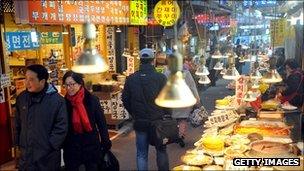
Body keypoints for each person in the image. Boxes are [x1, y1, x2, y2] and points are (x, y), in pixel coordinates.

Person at [122, 48, 169, 171]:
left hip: (140, 122)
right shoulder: (161, 78)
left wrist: (134, 113)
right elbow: (167, 99)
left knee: (142, 153)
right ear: (153, 61)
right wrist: (166, 114)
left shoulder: (131, 79)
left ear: (140, 61)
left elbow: (125, 99)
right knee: (161, 149)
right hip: (158, 120)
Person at [15, 64, 68, 170]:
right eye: (26, 78)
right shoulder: (22, 98)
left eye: (31, 80)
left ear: (42, 81)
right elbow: (18, 124)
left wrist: (50, 145)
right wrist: (18, 143)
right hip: (26, 156)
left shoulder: (57, 101)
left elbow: (61, 127)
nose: (27, 83)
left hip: (47, 157)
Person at [62, 71, 112, 171]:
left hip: (91, 145)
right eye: (66, 85)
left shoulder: (92, 100)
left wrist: (105, 143)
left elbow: (101, 123)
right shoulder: (63, 103)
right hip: (71, 146)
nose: (69, 88)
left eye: (72, 84)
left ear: (80, 83)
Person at [164, 66, 200, 148]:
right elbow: (192, 87)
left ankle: (176, 134)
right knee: (182, 120)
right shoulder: (186, 73)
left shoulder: (166, 73)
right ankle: (181, 135)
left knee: (174, 119)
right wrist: (197, 99)